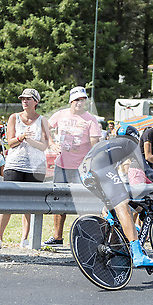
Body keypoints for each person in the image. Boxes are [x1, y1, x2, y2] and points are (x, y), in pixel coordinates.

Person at [79, 125, 153, 267]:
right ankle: (138, 255)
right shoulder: (130, 144)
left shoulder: (111, 144)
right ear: (135, 137)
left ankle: (111, 237)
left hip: (83, 172)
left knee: (112, 205)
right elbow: (148, 170)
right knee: (123, 205)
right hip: (100, 168)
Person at [42, 86, 102, 246]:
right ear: (71, 100)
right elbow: (44, 127)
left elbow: (96, 144)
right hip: (61, 165)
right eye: (77, 100)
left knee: (83, 202)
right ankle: (57, 237)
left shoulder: (90, 119)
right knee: (58, 200)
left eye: (83, 100)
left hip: (81, 168)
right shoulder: (60, 115)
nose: (80, 103)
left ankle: (85, 237)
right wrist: (52, 143)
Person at [0, 88, 50, 249]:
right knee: (8, 202)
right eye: (22, 99)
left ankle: (25, 239)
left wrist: (31, 141)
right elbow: (10, 142)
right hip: (15, 164)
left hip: (35, 167)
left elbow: (44, 146)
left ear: (36, 102)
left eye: (28, 99)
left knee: (30, 204)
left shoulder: (42, 120)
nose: (24, 101)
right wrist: (21, 137)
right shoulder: (14, 117)